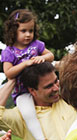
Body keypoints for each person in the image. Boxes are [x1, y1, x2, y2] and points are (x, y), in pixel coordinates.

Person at [1, 9, 54, 140]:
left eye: (31, 31)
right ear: (13, 31)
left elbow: (50, 55)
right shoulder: (9, 51)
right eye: (23, 31)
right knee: (29, 114)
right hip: (22, 92)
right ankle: (41, 138)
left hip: (41, 87)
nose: (28, 35)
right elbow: (8, 73)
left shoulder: (36, 45)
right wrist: (24, 64)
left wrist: (43, 58)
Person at [0, 62, 77, 139]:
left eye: (56, 81)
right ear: (32, 91)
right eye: (49, 86)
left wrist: (54, 64)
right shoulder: (22, 116)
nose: (56, 88)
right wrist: (13, 79)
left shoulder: (70, 98)